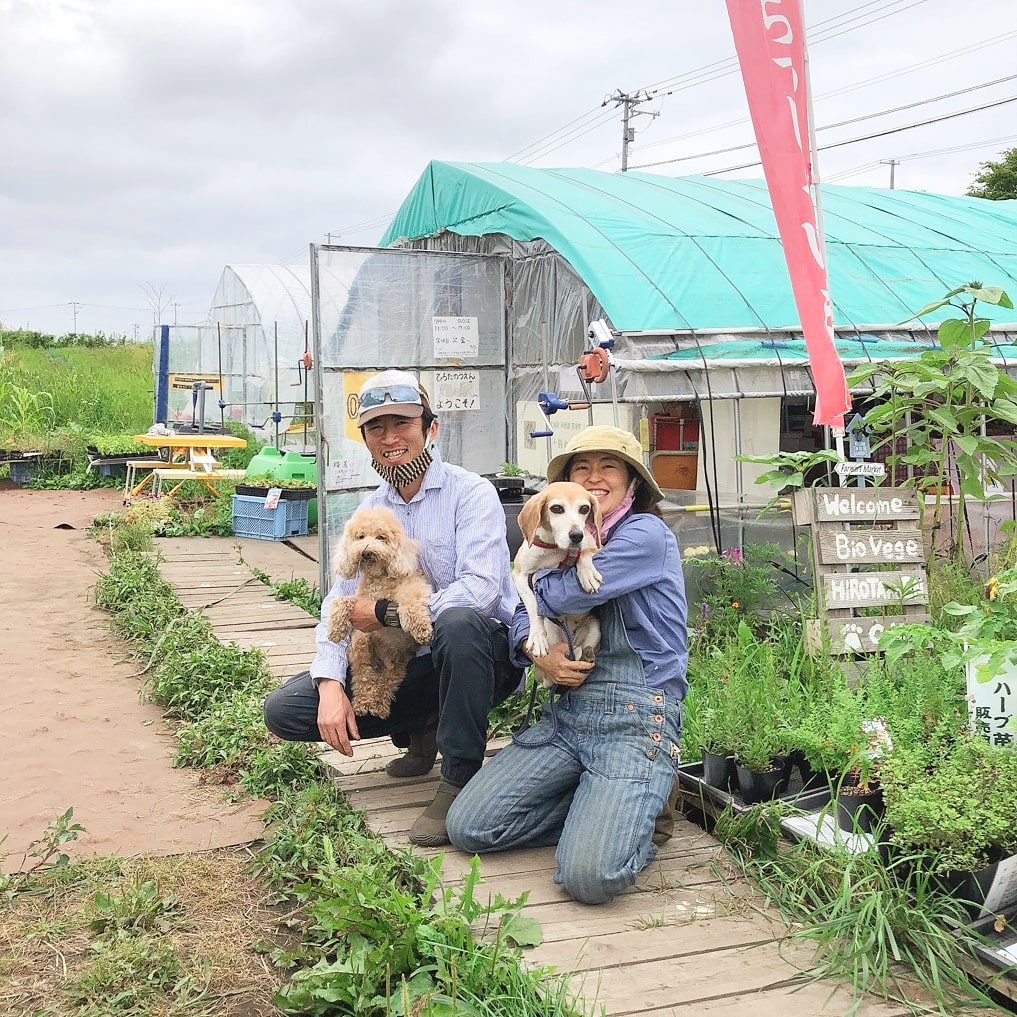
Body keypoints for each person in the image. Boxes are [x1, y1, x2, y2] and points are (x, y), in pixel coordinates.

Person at [263, 369, 522, 846]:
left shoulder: (472, 494)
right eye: (376, 428)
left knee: (459, 622)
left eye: (402, 423)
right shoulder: (369, 510)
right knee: (285, 711)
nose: (390, 438)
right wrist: (328, 684)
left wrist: (387, 615)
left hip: (480, 658)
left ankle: (458, 777)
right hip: (400, 659)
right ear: (365, 439)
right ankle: (421, 724)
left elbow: (483, 589)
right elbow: (338, 602)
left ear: (431, 428)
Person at [445, 425, 688, 904]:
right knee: (469, 826)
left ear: (632, 482)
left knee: (589, 878)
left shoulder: (645, 534)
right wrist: (538, 650)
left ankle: (638, 804)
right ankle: (602, 806)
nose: (593, 478)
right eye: (582, 468)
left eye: (609, 467)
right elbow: (519, 608)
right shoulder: (559, 533)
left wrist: (530, 581)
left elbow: (571, 590)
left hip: (636, 715)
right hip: (569, 715)